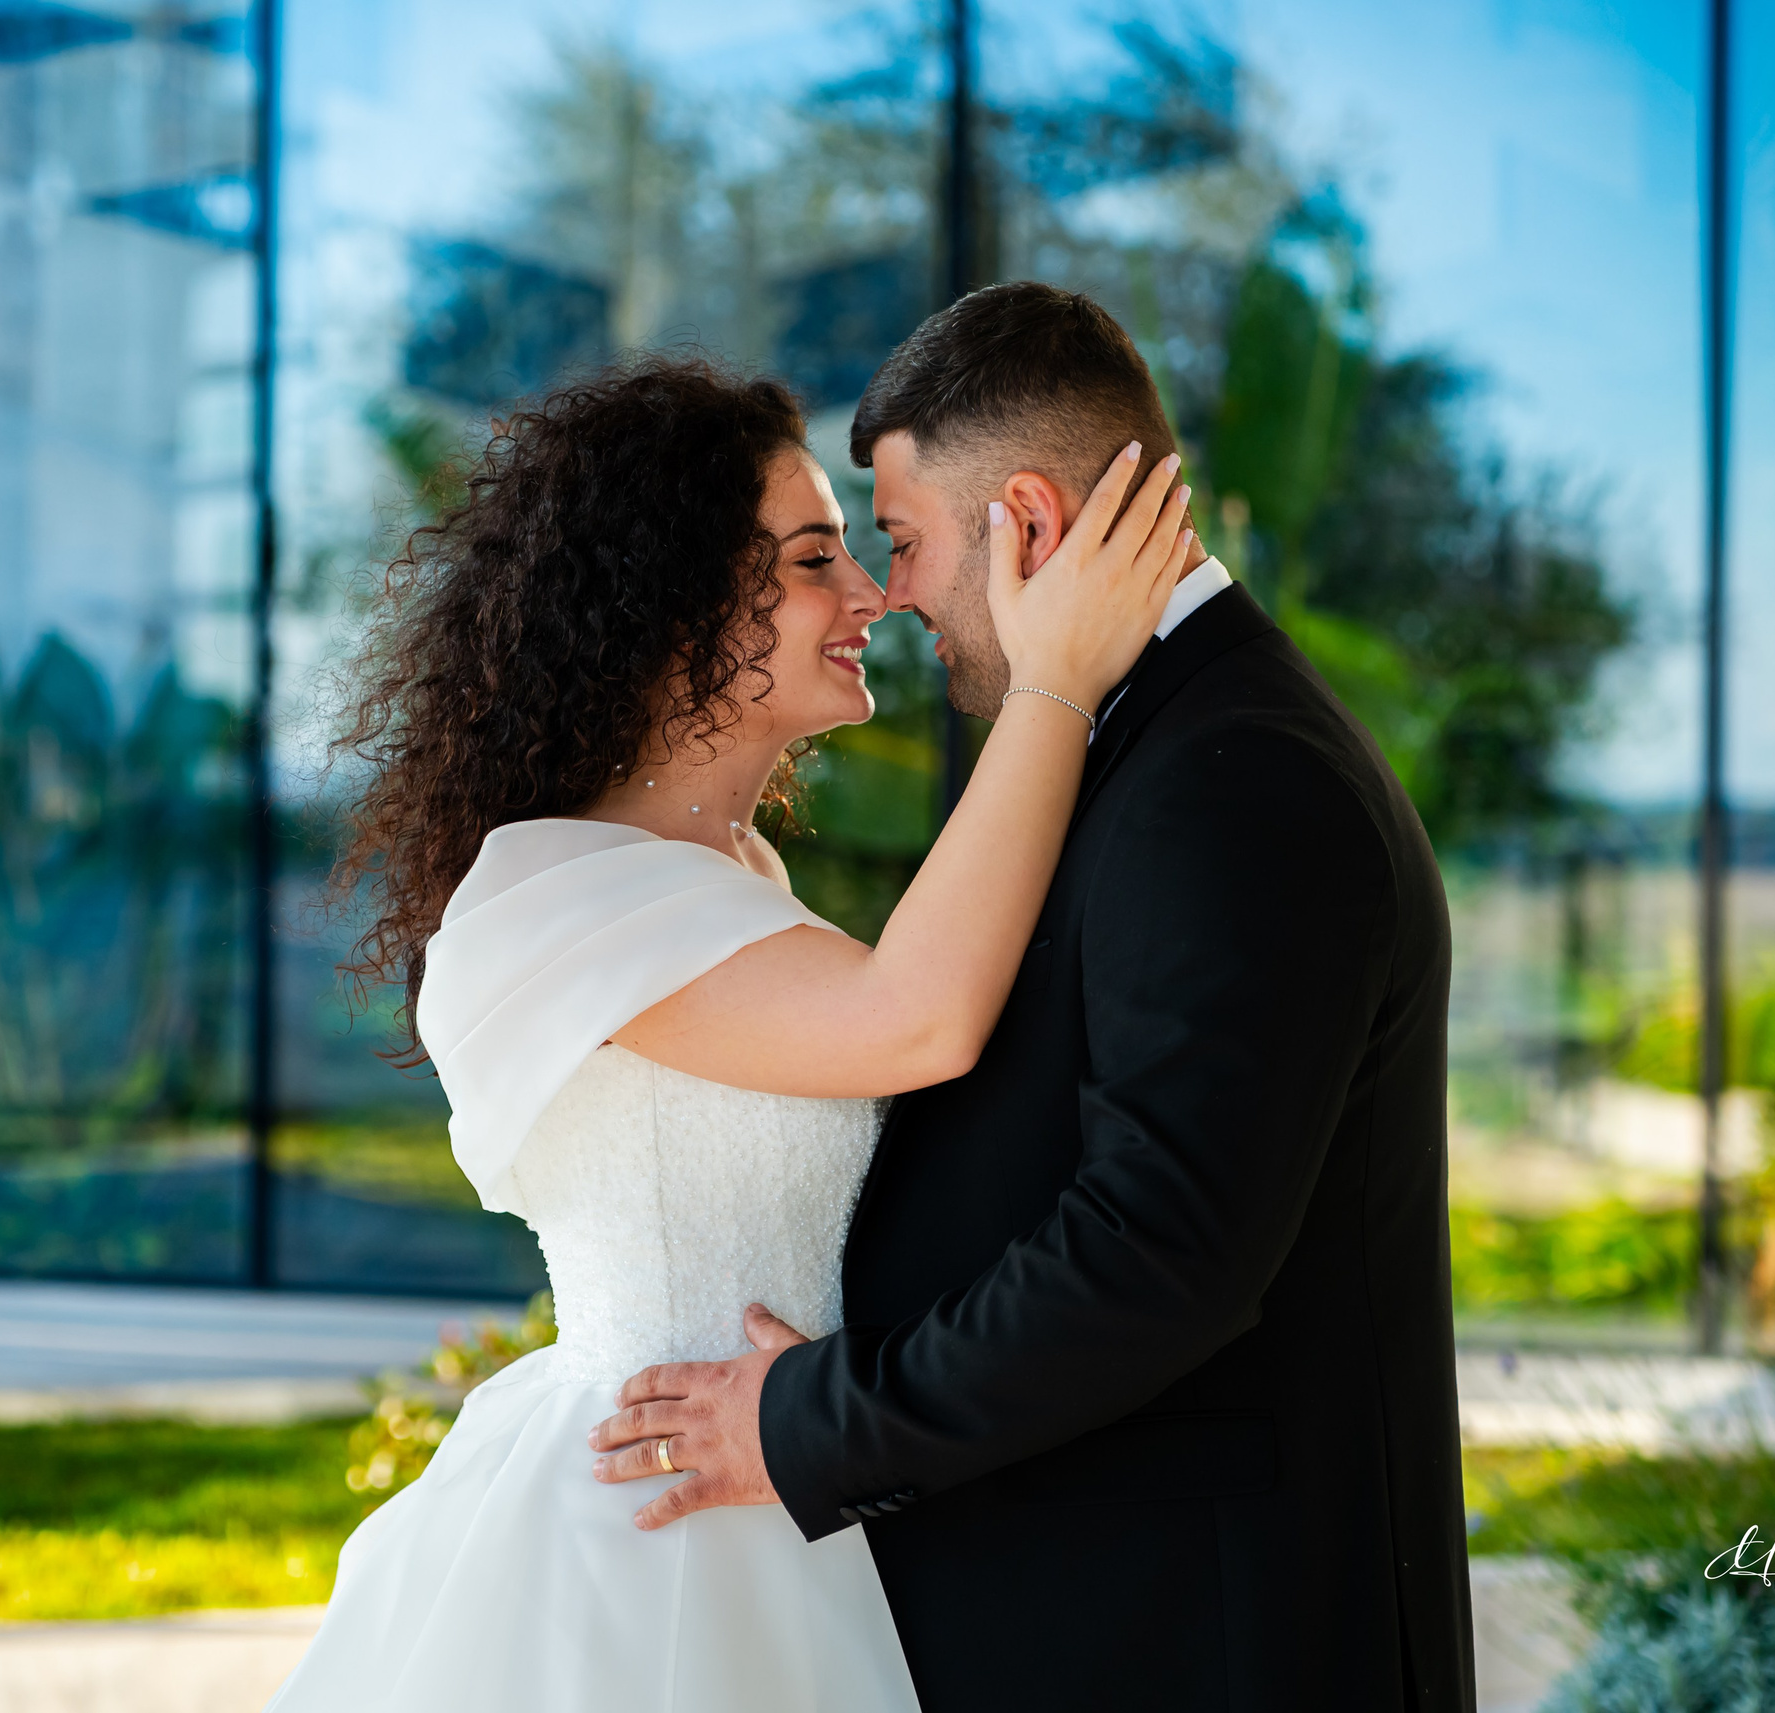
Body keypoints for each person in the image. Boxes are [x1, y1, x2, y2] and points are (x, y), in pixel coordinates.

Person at [262, 351, 1193, 1713]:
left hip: (792, 1488)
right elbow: (919, 1020)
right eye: (818, 556)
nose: (871, 594)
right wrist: (1057, 684)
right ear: (677, 595)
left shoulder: (737, 876)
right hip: (650, 1536)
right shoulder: (551, 895)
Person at [587, 283, 1475, 1709]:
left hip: (1204, 1637)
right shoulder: (1163, 748)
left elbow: (1156, 1254)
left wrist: (813, 1422)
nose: (895, 597)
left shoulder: (1237, 779)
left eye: (903, 541)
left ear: (1029, 526)